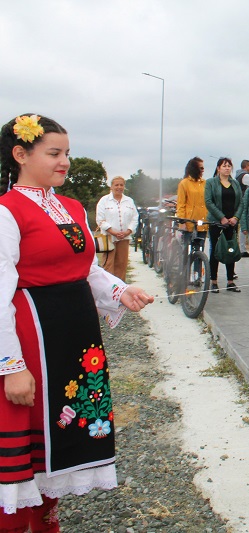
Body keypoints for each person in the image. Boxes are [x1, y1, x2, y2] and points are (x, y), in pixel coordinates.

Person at [0, 114, 154, 529]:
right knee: (26, 452)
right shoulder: (6, 212)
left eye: (66, 152)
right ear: (20, 154)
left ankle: (47, 520)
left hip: (75, 338)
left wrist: (121, 291)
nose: (65, 161)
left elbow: (85, 269)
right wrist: (11, 366)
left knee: (61, 441)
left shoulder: (70, 207)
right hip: (34, 339)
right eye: (54, 153)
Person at [205, 157, 243, 293]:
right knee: (215, 250)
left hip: (232, 223)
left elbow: (241, 202)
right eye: (224, 166)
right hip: (217, 222)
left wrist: (236, 217)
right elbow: (208, 202)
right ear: (218, 168)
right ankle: (213, 281)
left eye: (229, 166)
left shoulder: (235, 183)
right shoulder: (211, 183)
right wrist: (221, 217)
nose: (227, 168)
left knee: (230, 250)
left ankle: (230, 281)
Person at [95, 176, 138, 281]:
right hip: (109, 238)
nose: (119, 187)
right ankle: (108, 289)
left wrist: (128, 232)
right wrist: (113, 232)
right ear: (111, 186)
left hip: (124, 238)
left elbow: (135, 218)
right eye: (116, 185)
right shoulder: (104, 201)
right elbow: (100, 220)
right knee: (108, 265)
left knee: (121, 265)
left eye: (121, 185)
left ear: (124, 186)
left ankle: (120, 290)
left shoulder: (129, 201)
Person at [176, 156, 208, 240]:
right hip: (189, 222)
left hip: (202, 222)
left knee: (200, 248)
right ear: (194, 168)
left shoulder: (204, 183)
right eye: (201, 168)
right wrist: (182, 222)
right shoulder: (184, 183)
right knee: (186, 249)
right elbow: (181, 204)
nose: (203, 170)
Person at [235, 159, 249, 257]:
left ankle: (242, 248)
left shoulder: (237, 175)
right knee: (245, 226)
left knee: (242, 225)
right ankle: (243, 249)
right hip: (244, 202)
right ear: (246, 166)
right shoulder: (245, 176)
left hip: (238, 202)